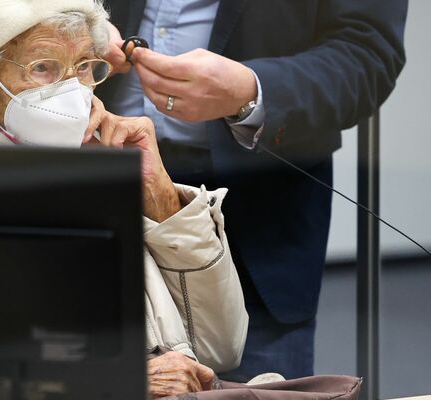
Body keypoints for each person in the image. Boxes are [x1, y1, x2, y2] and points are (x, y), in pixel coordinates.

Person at [0, 0, 249, 397]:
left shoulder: (96, 159)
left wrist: (159, 194)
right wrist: (118, 380)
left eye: (85, 67)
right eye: (43, 68)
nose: (72, 91)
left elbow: (220, 347)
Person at [96, 0, 408, 381]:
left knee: (253, 382)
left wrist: (251, 90)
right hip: (96, 188)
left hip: (257, 218)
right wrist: (78, 28)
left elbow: (367, 55)